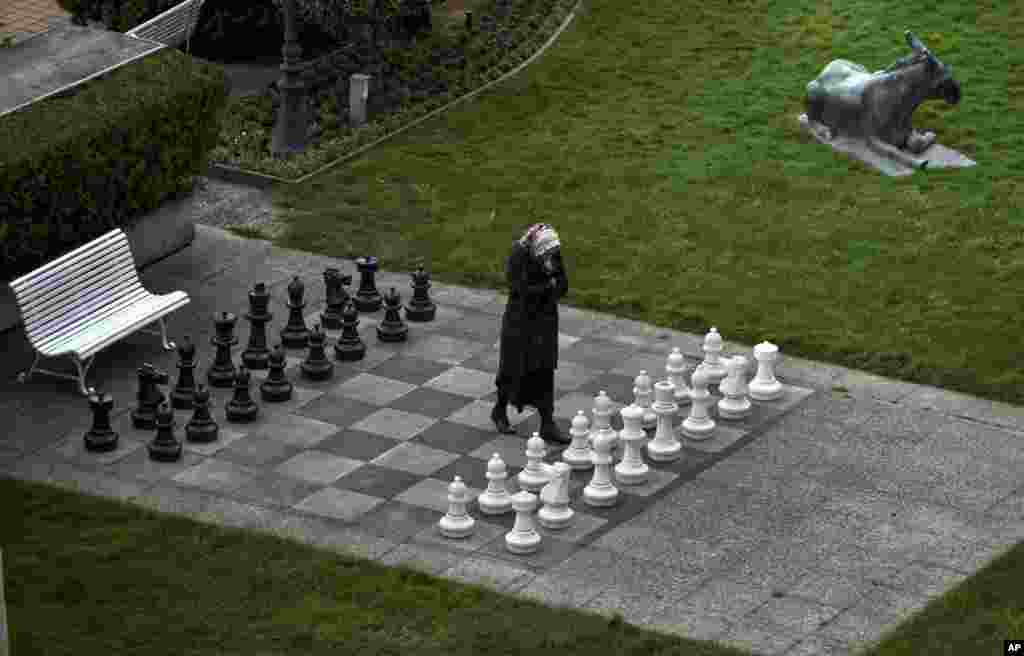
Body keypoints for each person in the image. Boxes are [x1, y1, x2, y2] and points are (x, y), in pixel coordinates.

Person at [491, 223, 570, 444]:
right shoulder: (519, 254)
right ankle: (499, 411)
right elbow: (519, 289)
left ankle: (547, 424)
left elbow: (563, 284)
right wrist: (548, 287)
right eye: (546, 255)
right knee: (512, 367)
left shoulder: (551, 249)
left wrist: (547, 287)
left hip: (545, 322)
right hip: (520, 321)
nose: (551, 258)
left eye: (553, 254)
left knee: (545, 369)